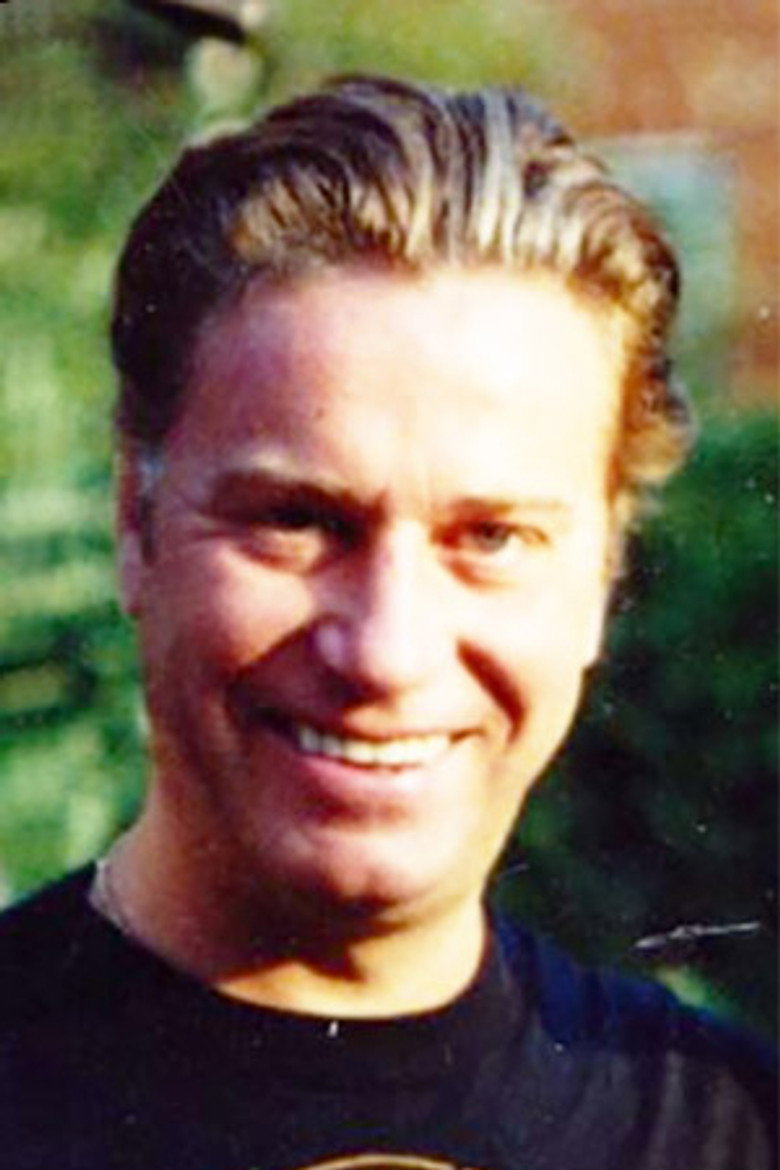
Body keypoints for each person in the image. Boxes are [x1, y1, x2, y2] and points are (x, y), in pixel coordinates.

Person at [1, 74, 774, 1170]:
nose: (387, 650)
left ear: (604, 571)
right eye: (298, 521)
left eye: (492, 536)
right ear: (137, 519)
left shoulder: (726, 1134)